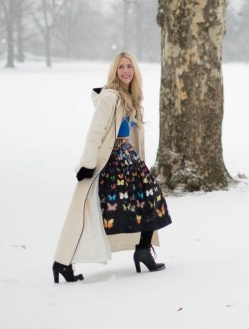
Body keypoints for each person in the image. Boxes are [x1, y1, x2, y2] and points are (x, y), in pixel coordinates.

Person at [52, 51, 172, 283]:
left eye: (129, 66)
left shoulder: (131, 96)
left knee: (150, 201)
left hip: (128, 158)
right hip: (112, 160)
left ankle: (143, 249)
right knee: (95, 213)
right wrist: (87, 163)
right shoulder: (110, 97)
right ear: (114, 71)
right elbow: (95, 132)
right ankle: (62, 263)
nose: (126, 71)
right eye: (121, 67)